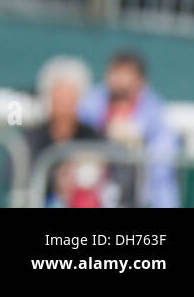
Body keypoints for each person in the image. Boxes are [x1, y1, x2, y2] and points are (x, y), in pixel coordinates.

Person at [77, 50, 179, 208]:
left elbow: (162, 171)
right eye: (117, 74)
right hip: (93, 191)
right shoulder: (92, 103)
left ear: (140, 81)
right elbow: (77, 138)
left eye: (126, 77)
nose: (120, 82)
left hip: (139, 196)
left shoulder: (155, 114)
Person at [26, 56, 102, 207]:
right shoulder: (32, 137)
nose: (64, 103)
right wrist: (55, 179)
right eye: (59, 96)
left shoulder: (93, 137)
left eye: (69, 96)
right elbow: (18, 173)